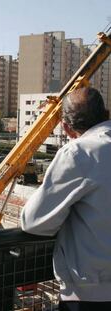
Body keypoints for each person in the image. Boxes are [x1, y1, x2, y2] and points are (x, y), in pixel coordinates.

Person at [21, 87, 111, 311]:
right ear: (106, 113)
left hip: (91, 294)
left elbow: (34, 222)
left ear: (67, 128)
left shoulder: (80, 153)